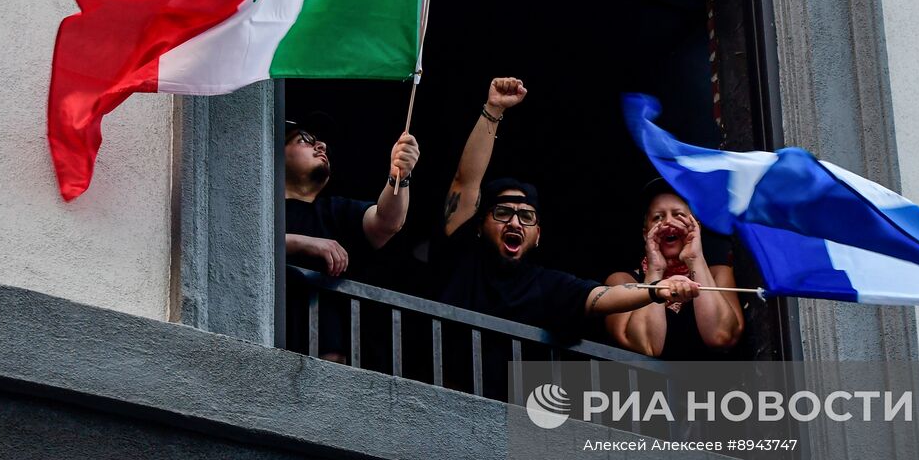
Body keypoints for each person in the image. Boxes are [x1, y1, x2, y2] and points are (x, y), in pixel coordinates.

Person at [436, 77, 699, 339]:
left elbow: (599, 296)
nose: (515, 223)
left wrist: (656, 289)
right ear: (480, 226)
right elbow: (466, 181)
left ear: (537, 235)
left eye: (526, 216)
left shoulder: (546, 284)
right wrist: (493, 110)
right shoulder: (465, 255)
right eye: (503, 213)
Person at [284, 115, 419, 361]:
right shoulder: (262, 209)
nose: (321, 146)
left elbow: (388, 222)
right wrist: (303, 242)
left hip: (328, 362)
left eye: (320, 143)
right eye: (305, 141)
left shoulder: (335, 210)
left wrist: (400, 175)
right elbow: (243, 248)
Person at [603, 179, 744, 358]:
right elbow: (647, 346)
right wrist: (655, 271)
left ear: (696, 226)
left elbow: (721, 337)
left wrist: (694, 258)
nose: (668, 222)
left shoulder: (718, 274)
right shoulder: (623, 281)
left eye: (678, 215)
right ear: (646, 233)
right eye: (658, 217)